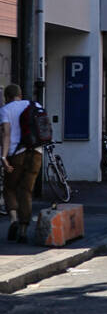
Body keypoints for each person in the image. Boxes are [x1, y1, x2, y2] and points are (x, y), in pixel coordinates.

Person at [0, 84, 43, 243]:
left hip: (16, 155)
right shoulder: (35, 105)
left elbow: (6, 133)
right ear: (20, 94)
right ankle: (24, 231)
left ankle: (13, 220)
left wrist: (3, 158)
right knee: (26, 191)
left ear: (6, 96)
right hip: (37, 153)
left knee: (10, 188)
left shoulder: (6, 110)